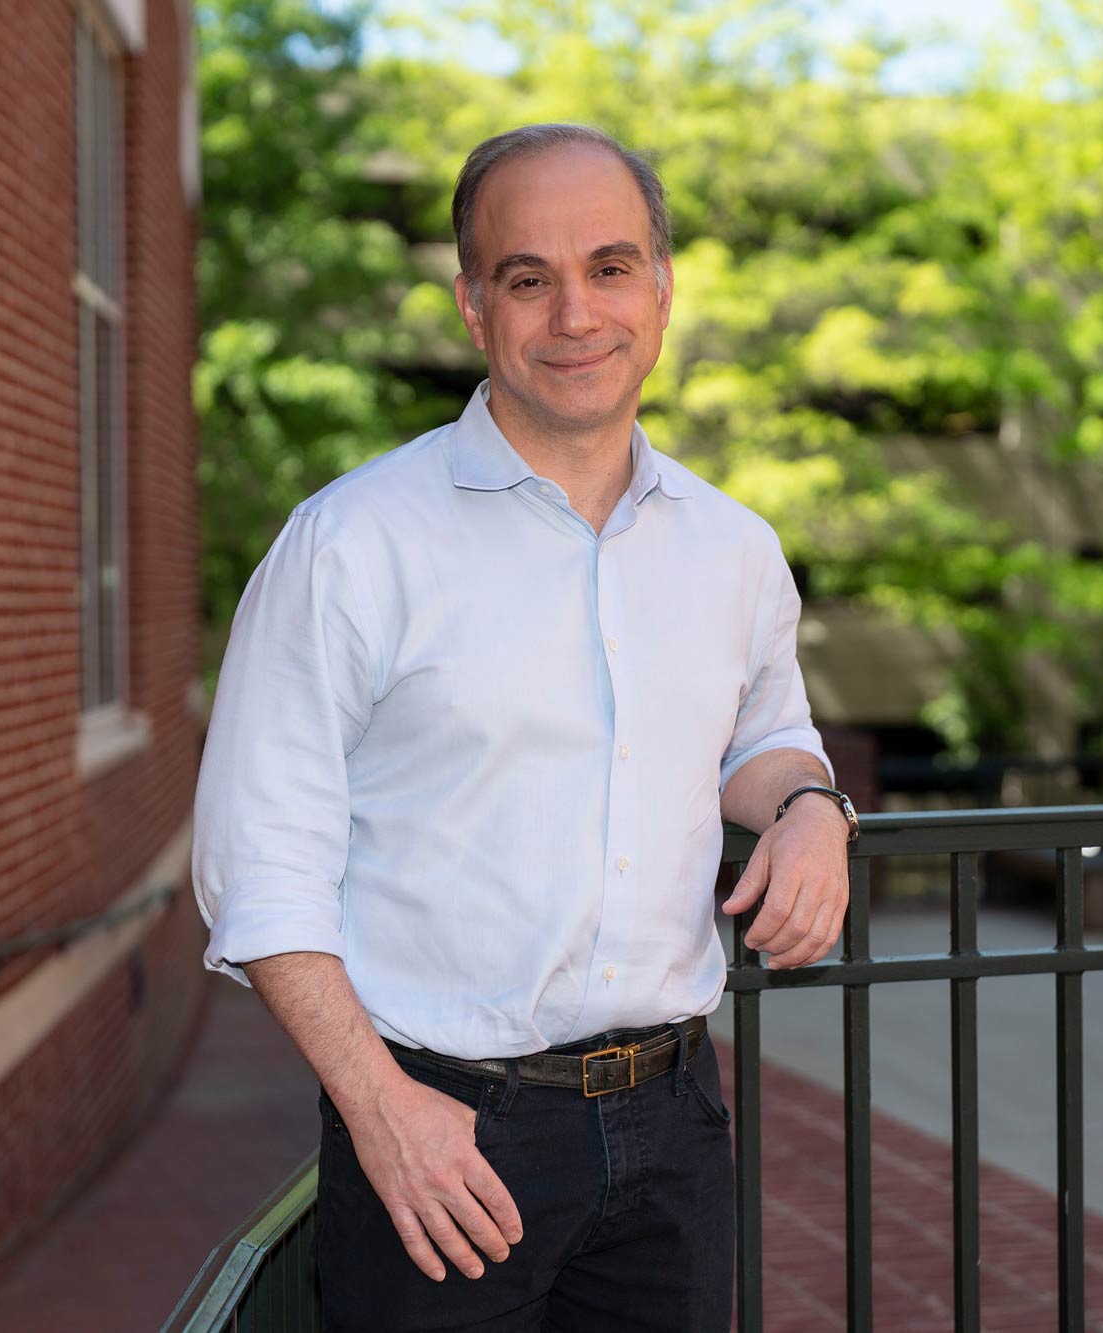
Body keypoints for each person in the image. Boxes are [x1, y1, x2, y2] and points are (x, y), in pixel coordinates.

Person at [191, 122, 858, 1332]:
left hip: (672, 1129)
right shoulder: (349, 545)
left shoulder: (734, 550)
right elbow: (257, 871)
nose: (573, 317)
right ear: (469, 306)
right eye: (526, 277)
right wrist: (378, 1107)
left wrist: (812, 807)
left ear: (659, 292)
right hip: (442, 1138)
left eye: (608, 268)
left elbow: (762, 737)